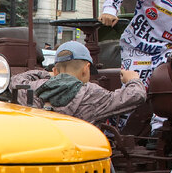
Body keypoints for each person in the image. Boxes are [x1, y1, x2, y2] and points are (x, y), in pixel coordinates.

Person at [12, 40, 146, 124]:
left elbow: (15, 80)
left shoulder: (32, 88)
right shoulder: (91, 93)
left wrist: (48, 74)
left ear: (55, 70)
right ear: (86, 69)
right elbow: (136, 95)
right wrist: (133, 79)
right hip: (76, 161)